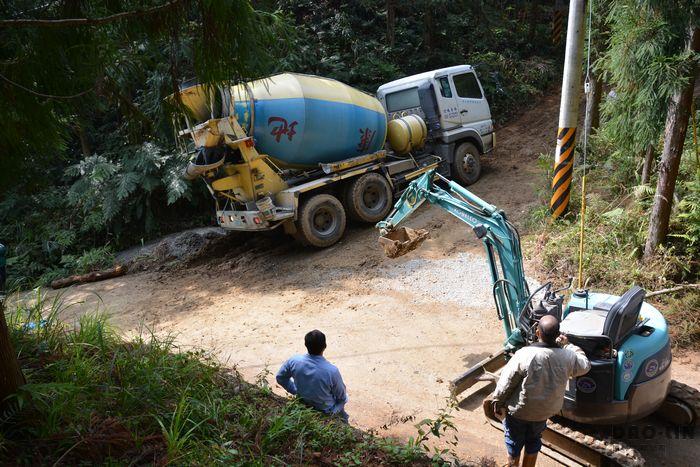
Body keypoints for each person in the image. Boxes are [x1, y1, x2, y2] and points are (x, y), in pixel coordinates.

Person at [492, 315, 590, 467]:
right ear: (558, 335)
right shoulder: (568, 357)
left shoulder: (524, 354)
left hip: (519, 412)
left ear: (537, 333)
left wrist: (497, 401)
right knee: (533, 440)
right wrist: (568, 345)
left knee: (513, 442)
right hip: (543, 413)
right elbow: (585, 365)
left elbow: (507, 383)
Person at [276, 330, 349, 422]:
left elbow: (280, 377)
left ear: (306, 344)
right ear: (325, 346)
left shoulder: (294, 361)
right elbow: (341, 397)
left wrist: (296, 391)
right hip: (326, 410)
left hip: (304, 402)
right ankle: (337, 420)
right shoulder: (331, 371)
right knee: (345, 398)